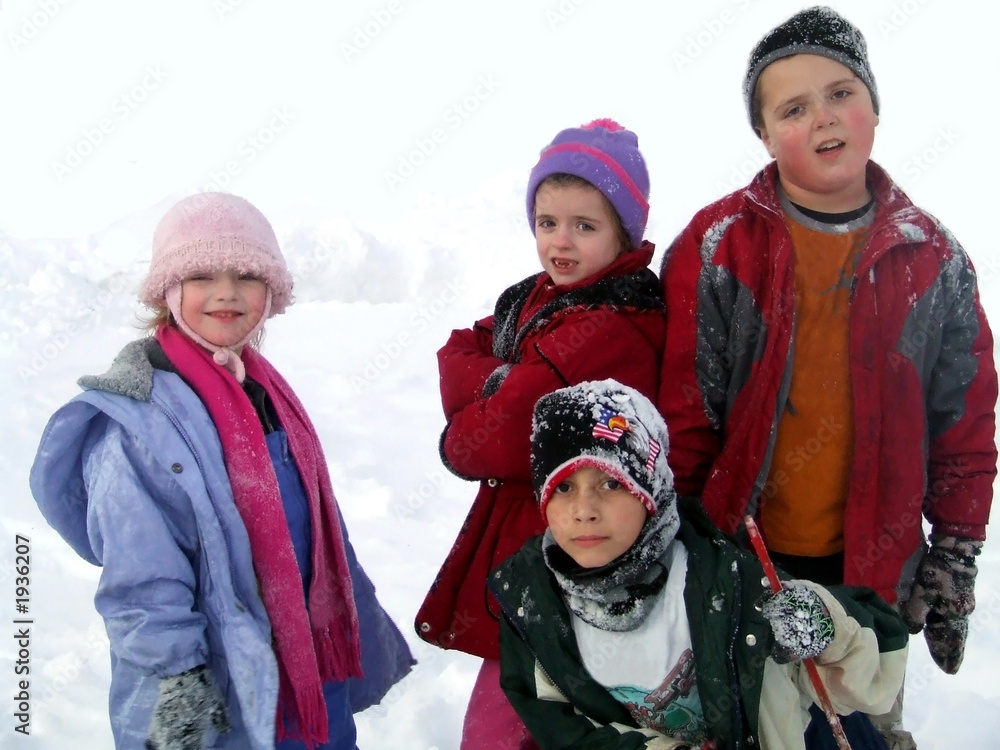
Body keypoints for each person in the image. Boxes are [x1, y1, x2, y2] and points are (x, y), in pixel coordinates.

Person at [656, 7, 997, 749]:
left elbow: (964, 425)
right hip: (744, 565)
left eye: (841, 92)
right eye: (793, 107)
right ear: (764, 134)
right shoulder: (718, 248)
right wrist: (680, 551)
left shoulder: (933, 260)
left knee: (858, 733)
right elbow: (683, 415)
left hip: (872, 576)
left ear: (874, 105)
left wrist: (956, 555)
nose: (824, 117)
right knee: (746, 730)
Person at [30, 192, 414, 749]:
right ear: (167, 289)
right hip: (222, 684)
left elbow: (314, 535)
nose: (227, 293)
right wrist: (176, 675)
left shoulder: (265, 391)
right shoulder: (138, 423)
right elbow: (140, 576)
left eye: (247, 275)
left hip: (307, 672)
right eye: (202, 274)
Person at [415, 119, 666, 749]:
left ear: (623, 232)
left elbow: (496, 437)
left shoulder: (615, 320)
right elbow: (455, 350)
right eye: (547, 222)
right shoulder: (538, 299)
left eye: (586, 226)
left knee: (524, 707)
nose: (561, 241)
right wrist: (503, 378)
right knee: (524, 690)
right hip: (534, 538)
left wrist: (489, 394)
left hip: (570, 544)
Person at [493, 379, 908, 749]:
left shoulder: (723, 579)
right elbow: (561, 724)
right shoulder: (532, 602)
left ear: (650, 490)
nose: (584, 510)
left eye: (612, 482)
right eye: (563, 486)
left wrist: (824, 625)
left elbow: (868, 676)